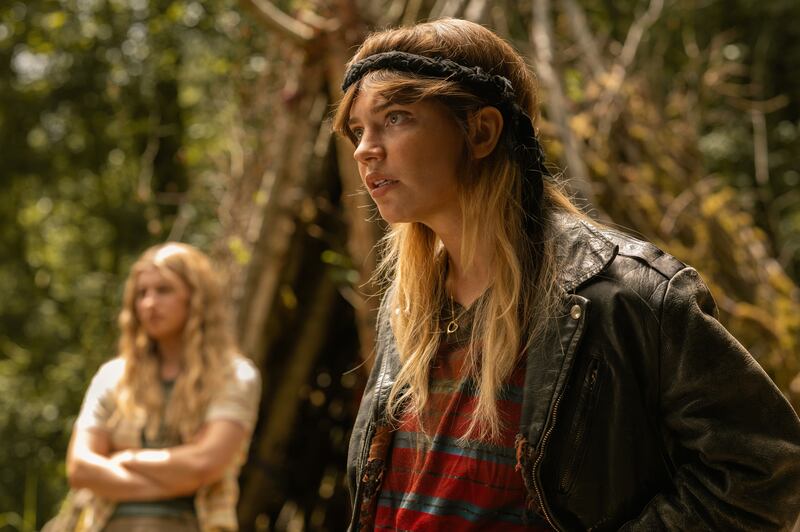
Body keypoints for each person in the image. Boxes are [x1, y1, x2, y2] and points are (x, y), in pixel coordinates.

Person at [333, 18, 800, 531]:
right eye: (358, 130)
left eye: (395, 117)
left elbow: (764, 472)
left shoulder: (625, 296)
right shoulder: (407, 303)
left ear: (481, 131)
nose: (364, 149)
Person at [59, 243, 260, 531]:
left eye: (164, 290)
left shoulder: (235, 375)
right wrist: (178, 479)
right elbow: (80, 468)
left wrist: (125, 459)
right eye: (142, 293)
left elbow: (206, 463)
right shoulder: (112, 377)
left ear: (196, 297)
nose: (149, 304)